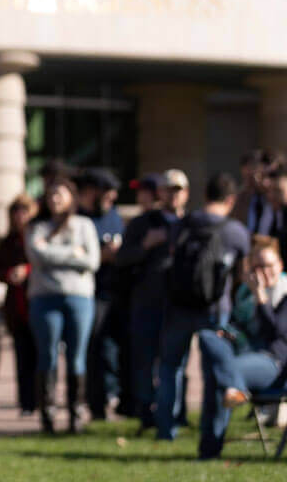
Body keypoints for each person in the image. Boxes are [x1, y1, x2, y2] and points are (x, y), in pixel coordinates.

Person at [154, 173, 250, 441]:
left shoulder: (184, 224)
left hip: (178, 305)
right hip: (214, 308)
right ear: (231, 199)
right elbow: (242, 275)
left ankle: (166, 429)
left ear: (204, 195)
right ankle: (211, 433)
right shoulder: (236, 231)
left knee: (170, 367)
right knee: (215, 371)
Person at [194, 239, 287, 459]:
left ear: (280, 265)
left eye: (268, 265)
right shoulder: (245, 294)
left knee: (219, 373)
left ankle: (208, 451)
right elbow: (239, 325)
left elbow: (276, 334)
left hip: (273, 362)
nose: (263, 272)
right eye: (257, 267)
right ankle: (233, 387)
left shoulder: (284, 293)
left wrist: (261, 297)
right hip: (243, 355)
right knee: (208, 337)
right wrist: (228, 333)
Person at [26, 176, 100, 433]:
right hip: (44, 299)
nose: (55, 199)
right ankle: (47, 417)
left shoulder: (84, 225)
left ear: (71, 197)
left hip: (79, 298)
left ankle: (76, 417)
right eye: (51, 195)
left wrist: (52, 254)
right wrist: (72, 253)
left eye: (60, 194)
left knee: (76, 357)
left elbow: (92, 261)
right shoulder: (37, 227)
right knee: (47, 356)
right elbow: (36, 256)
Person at [117, 171, 180, 432]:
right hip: (145, 302)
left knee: (174, 361)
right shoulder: (140, 224)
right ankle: (146, 412)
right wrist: (146, 245)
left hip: (177, 304)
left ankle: (174, 412)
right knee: (143, 361)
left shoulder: (185, 222)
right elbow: (122, 258)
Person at [77, 169, 126, 419]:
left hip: (116, 291)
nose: (112, 197)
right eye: (107, 192)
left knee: (115, 347)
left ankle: (117, 398)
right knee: (95, 349)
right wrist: (101, 256)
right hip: (91, 294)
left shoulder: (114, 216)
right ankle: (97, 404)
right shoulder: (79, 219)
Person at [0, 194, 39, 415]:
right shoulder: (7, 242)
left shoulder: (40, 236)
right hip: (16, 307)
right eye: (16, 211)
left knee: (41, 355)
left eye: (25, 210)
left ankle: (43, 400)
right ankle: (26, 403)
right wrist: (8, 274)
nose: (20, 216)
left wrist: (28, 270)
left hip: (38, 303)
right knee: (21, 357)